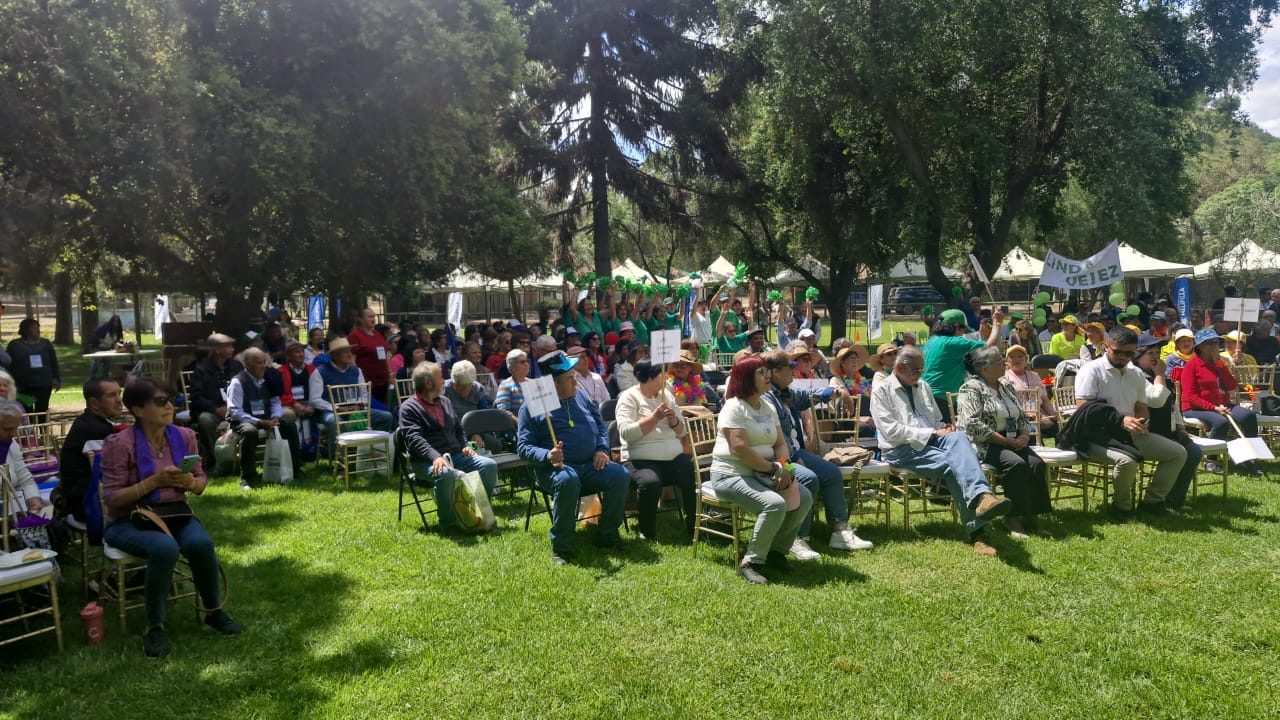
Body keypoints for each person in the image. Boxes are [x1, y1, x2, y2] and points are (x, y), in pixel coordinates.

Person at [100, 378, 241, 657]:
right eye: (160, 401)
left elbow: (201, 480)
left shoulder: (184, 436)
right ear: (138, 410)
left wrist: (190, 482)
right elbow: (112, 499)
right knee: (165, 548)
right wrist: (153, 482)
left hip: (174, 514)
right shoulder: (119, 443)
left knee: (201, 544)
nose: (169, 407)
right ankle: (154, 626)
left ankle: (213, 611)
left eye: (172, 401)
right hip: (128, 520)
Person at [870, 346, 1012, 556]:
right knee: (958, 465)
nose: (920, 375)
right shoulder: (882, 391)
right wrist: (933, 433)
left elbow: (936, 420)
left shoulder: (923, 386)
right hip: (901, 450)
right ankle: (978, 531)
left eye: (922, 370)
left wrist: (945, 427)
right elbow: (891, 432)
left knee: (959, 436)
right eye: (916, 371)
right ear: (899, 368)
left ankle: (982, 497)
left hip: (933, 442)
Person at [517, 350, 630, 565]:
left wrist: (601, 449)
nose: (576, 383)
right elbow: (523, 447)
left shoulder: (580, 396)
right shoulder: (532, 406)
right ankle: (562, 547)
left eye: (575, 377)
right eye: (570, 379)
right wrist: (547, 455)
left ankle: (607, 535)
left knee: (621, 475)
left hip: (590, 464)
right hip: (555, 469)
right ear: (553, 384)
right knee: (568, 481)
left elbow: (600, 426)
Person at [709, 356, 814, 583]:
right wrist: (773, 470)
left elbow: (779, 443)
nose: (768, 376)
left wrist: (785, 467)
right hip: (731, 474)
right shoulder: (734, 406)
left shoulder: (767, 406)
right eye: (761, 373)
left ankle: (776, 552)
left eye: (767, 371)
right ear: (746, 378)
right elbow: (740, 449)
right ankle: (751, 562)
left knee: (804, 497)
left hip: (766, 472)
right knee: (773, 504)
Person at [761, 350, 871, 555]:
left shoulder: (785, 392)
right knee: (808, 479)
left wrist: (838, 392)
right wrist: (793, 460)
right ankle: (795, 538)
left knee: (831, 473)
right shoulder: (767, 398)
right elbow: (775, 439)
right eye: (790, 367)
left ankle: (840, 531)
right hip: (777, 459)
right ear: (775, 372)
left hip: (794, 453)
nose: (794, 370)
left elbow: (809, 396)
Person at [1073, 326, 1186, 516]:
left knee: (1178, 453)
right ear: (1106, 346)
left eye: (1128, 353)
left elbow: (1142, 406)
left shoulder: (1136, 374)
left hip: (1130, 433)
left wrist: (1143, 421)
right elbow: (1084, 407)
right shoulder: (1091, 370)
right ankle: (1122, 507)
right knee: (1127, 461)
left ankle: (1152, 502)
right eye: (1118, 352)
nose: (1123, 357)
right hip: (1096, 435)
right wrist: (1120, 420)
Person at [956, 347, 1052, 539]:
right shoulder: (971, 388)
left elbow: (1022, 416)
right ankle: (1012, 518)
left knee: (1036, 464)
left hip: (1014, 438)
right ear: (984, 368)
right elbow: (972, 424)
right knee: (1015, 464)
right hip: (986, 442)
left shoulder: (1006, 385)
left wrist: (1025, 435)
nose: (1005, 364)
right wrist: (1005, 441)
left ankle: (1032, 515)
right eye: (1000, 362)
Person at [400, 361, 500, 532]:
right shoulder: (409, 408)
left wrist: (464, 445)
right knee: (446, 474)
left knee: (489, 465)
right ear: (429, 383)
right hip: (426, 462)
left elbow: (458, 428)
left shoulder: (445, 401)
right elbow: (415, 439)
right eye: (440, 377)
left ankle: (480, 513)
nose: (444, 380)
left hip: (456, 455)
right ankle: (449, 523)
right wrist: (435, 457)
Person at [615, 361, 696, 541]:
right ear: (651, 377)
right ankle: (647, 532)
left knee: (690, 471)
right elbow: (626, 433)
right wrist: (654, 417)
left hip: (673, 457)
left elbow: (682, 431)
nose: (666, 377)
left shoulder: (666, 395)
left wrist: (673, 420)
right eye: (662, 374)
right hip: (640, 458)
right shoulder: (628, 397)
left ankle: (695, 526)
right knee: (650, 483)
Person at [1131, 334, 1200, 508]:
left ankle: (1174, 499)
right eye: (1150, 353)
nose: (1156, 357)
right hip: (1146, 432)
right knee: (1180, 453)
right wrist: (1160, 374)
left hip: (1167, 429)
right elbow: (1156, 400)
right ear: (1138, 356)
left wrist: (1180, 426)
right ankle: (1156, 500)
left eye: (1157, 352)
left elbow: (1171, 403)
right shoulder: (1135, 375)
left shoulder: (1155, 374)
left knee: (1194, 452)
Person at [226, 348, 301, 490]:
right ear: (248, 364)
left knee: (289, 425)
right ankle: (247, 477)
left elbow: (275, 401)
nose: (263, 366)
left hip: (267, 417)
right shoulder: (238, 382)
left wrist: (276, 416)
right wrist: (258, 422)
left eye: (264, 362)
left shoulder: (269, 378)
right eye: (259, 363)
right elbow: (235, 411)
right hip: (244, 420)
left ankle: (295, 468)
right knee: (249, 432)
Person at [308, 338, 395, 458]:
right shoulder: (320, 372)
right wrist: (337, 408)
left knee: (386, 417)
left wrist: (359, 406)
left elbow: (364, 394)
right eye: (345, 352)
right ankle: (339, 460)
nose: (350, 354)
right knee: (335, 421)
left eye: (350, 351)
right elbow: (315, 400)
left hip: (356, 409)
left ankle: (373, 453)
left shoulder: (357, 371)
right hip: (331, 412)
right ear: (335, 355)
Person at [1180, 328, 1261, 454]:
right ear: (1201, 347)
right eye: (1211, 343)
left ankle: (1252, 454)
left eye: (1216, 342)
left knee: (1248, 416)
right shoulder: (1191, 366)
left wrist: (1221, 366)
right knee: (1220, 422)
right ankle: (1212, 459)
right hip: (1195, 408)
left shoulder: (1220, 364)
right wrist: (1214, 408)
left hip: (1223, 404)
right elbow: (1190, 396)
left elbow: (1232, 387)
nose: (1215, 346)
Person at [55, 379, 124, 522]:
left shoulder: (89, 421)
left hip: (85, 497)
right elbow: (117, 472)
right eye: (111, 396)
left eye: (119, 393)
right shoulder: (95, 430)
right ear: (94, 403)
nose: (119, 400)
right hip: (89, 505)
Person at [922, 307, 1003, 422]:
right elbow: (990, 347)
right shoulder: (952, 342)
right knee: (949, 434)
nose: (963, 333)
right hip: (942, 397)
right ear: (955, 326)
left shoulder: (930, 341)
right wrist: (997, 323)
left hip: (925, 395)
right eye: (962, 328)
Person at [190, 333, 244, 470]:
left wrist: (232, 406)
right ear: (217, 350)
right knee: (205, 420)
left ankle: (244, 458)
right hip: (212, 410)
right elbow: (196, 397)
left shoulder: (236, 367)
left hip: (234, 407)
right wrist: (215, 409)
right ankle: (218, 460)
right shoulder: (201, 370)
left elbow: (244, 388)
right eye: (228, 346)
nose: (232, 349)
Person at [5, 318, 60, 415]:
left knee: (42, 410)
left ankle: (43, 430)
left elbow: (53, 362)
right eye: (34, 328)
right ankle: (30, 430)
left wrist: (57, 379)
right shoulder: (15, 345)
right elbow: (8, 365)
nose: (38, 330)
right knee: (27, 412)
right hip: (23, 386)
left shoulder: (45, 344)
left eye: (38, 327)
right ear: (25, 330)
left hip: (43, 384)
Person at [1002, 345, 1058, 439]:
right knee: (1031, 430)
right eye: (1012, 357)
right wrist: (1026, 414)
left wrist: (1053, 414)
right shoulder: (1004, 378)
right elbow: (1006, 405)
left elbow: (1044, 399)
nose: (1017, 359)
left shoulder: (1034, 376)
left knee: (1061, 429)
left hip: (1040, 415)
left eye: (1020, 356)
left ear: (1026, 359)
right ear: (1007, 361)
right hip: (1018, 417)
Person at [1, 399, 43, 514]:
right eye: (7, 429)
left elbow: (25, 479)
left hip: (11, 512)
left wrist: (33, 498)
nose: (14, 434)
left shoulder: (12, 445)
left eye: (15, 429)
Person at [346, 308, 392, 406]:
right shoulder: (355, 335)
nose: (373, 319)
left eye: (374, 316)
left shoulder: (377, 334)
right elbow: (351, 359)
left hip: (383, 380)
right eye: (370, 316)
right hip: (367, 381)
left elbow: (386, 354)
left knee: (384, 408)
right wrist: (359, 377)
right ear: (361, 319)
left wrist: (389, 372)